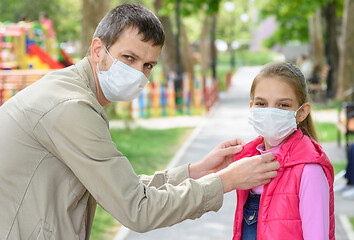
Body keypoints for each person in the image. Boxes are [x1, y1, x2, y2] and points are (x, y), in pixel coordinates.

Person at [0, 4, 280, 239]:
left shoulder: (71, 91)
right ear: (98, 50)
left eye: (147, 65)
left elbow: (119, 188)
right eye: (128, 58)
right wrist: (225, 181)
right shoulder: (71, 108)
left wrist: (196, 171)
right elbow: (137, 209)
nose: (138, 73)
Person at [232, 62, 335, 240]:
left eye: (283, 105)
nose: (270, 112)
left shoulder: (309, 171)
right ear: (252, 107)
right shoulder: (248, 163)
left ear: (302, 113)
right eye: (261, 103)